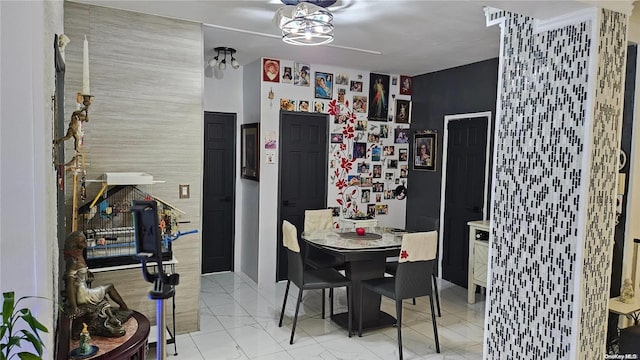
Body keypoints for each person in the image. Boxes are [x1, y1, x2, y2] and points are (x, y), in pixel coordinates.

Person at [64, 231, 132, 337]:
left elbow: (80, 272)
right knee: (109, 287)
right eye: (82, 240)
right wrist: (73, 307)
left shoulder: (79, 256)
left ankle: (113, 315)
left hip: (83, 289)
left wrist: (87, 272)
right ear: (74, 243)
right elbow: (70, 285)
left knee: (104, 295)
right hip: (82, 294)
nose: (85, 241)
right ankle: (123, 307)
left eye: (85, 239)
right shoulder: (73, 261)